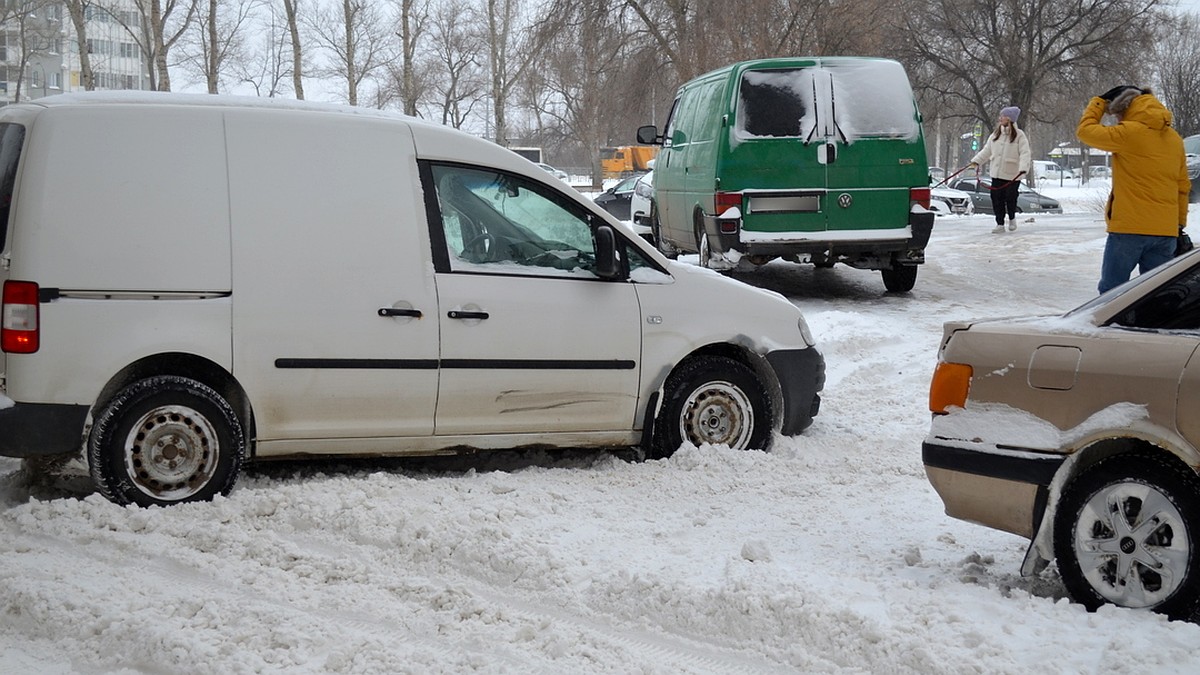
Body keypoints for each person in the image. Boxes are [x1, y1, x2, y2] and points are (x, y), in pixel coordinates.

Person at [1077, 86, 1191, 294]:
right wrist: (1179, 223)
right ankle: (1152, 326)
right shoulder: (1175, 139)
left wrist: (1099, 103)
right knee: (1156, 294)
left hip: (1128, 229)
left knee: (1112, 293)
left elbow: (1085, 131)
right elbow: (1182, 186)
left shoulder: (1128, 133)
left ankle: (1114, 327)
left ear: (1123, 110)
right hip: (1165, 231)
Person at [969, 106, 1031, 234]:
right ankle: (1000, 223)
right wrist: (976, 161)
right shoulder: (995, 135)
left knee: (1010, 197)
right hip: (997, 173)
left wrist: (1023, 168)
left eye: (1002, 116)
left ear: (1009, 118)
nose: (1000, 118)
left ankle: (1012, 218)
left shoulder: (1020, 136)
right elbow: (987, 151)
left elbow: (1025, 153)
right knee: (996, 198)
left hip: (1013, 174)